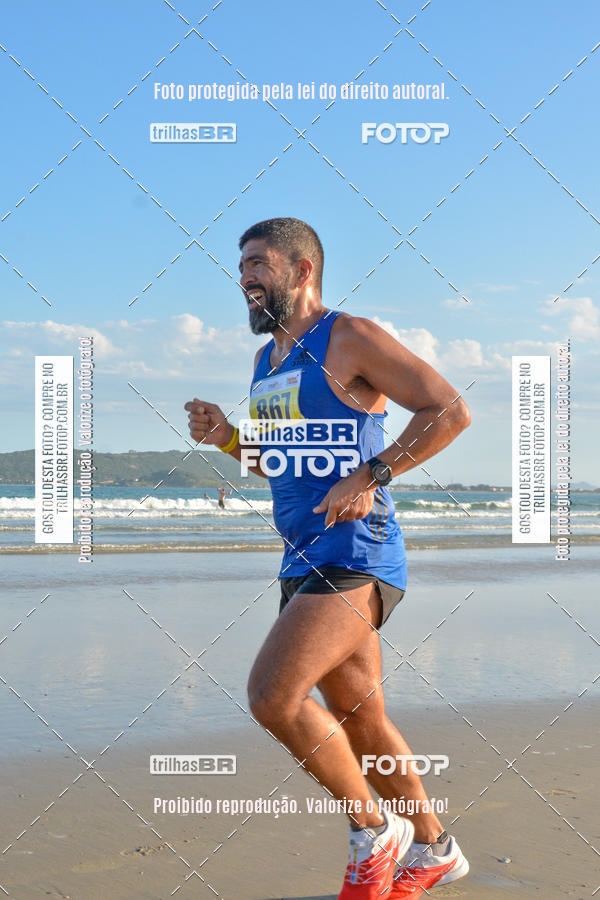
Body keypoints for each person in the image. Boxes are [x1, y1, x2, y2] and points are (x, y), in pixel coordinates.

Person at [185, 218, 471, 899]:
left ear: (302, 270)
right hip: (301, 558)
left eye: (258, 264)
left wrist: (373, 473)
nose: (245, 278)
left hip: (357, 553)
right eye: (241, 268)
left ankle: (374, 832)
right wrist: (228, 439)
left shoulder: (349, 336)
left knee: (272, 696)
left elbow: (449, 409)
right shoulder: (267, 363)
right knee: (361, 719)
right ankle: (433, 849)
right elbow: (278, 464)